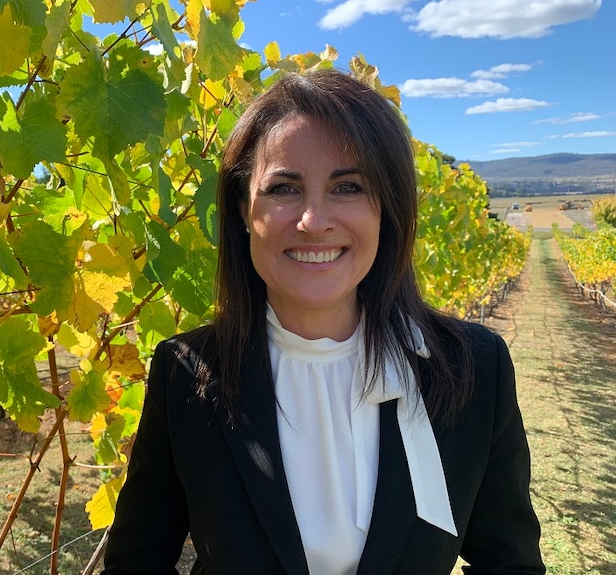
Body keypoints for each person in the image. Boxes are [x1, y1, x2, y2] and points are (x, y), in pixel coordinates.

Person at [101, 69, 544, 575]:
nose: (314, 221)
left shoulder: (475, 369)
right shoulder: (186, 372)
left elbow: (510, 565)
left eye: (349, 186)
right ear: (244, 211)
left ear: (388, 209)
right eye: (284, 188)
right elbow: (136, 565)